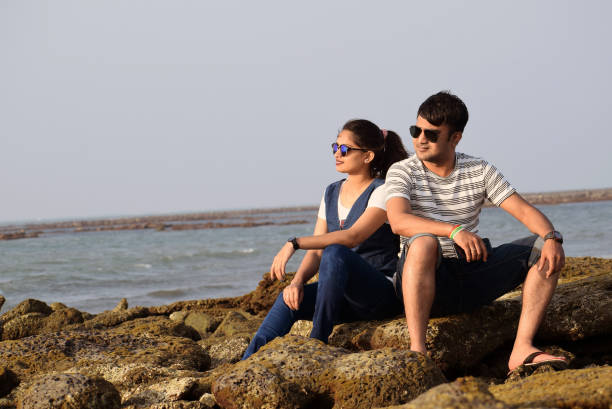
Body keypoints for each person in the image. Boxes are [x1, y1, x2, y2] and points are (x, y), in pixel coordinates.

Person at [385, 91, 567, 374]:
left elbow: (524, 211)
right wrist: (453, 230)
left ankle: (521, 349)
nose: (420, 139)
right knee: (423, 243)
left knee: (544, 248)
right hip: (421, 277)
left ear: (455, 138)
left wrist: (552, 237)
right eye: (415, 130)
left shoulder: (479, 169)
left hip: (468, 274)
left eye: (431, 134)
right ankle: (418, 351)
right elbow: (398, 221)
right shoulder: (401, 170)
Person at [242, 119, 409, 359]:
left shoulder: (382, 191)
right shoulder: (331, 191)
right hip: (340, 297)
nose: (337, 154)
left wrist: (294, 242)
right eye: (335, 147)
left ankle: (317, 341)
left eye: (344, 149)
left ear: (368, 156)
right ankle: (247, 361)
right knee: (289, 299)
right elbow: (317, 250)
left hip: (378, 294)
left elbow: (352, 237)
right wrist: (297, 282)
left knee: (335, 251)